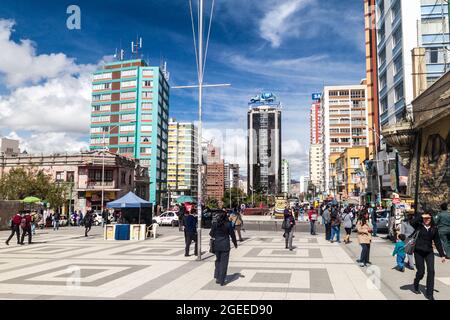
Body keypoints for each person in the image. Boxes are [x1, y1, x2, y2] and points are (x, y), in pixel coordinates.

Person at [410, 212, 446, 300]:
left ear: (431, 219)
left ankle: (429, 294)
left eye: (428, 218)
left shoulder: (434, 229)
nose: (426, 220)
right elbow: (412, 222)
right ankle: (416, 282)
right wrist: (422, 215)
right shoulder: (418, 226)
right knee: (421, 272)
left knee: (431, 271)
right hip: (418, 252)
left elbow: (437, 242)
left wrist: (442, 255)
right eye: (425, 218)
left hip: (429, 252)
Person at [210, 210, 238, 286]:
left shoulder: (215, 224)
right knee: (224, 263)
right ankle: (222, 280)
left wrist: (216, 235)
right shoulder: (228, 224)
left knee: (218, 261)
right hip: (225, 244)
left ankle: (217, 277)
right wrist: (235, 243)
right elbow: (232, 235)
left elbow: (211, 234)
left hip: (217, 245)